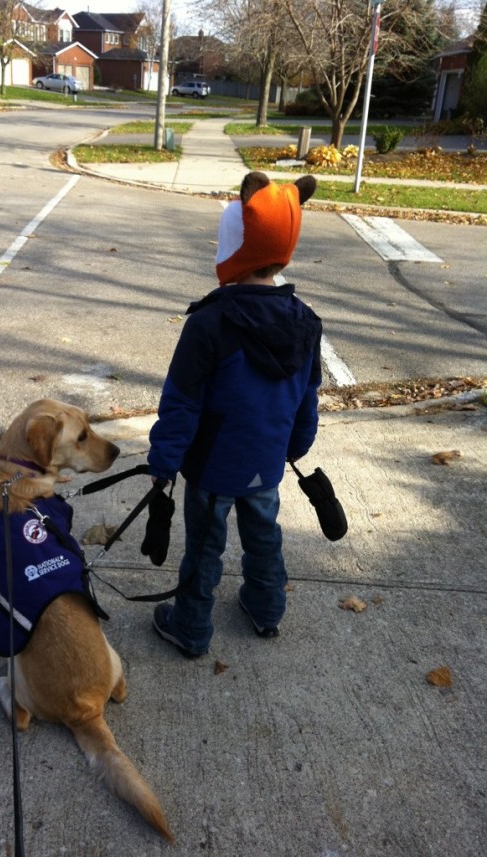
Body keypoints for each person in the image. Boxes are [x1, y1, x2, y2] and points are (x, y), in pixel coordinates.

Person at [146, 171, 322, 658]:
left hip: (212, 467)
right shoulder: (307, 321)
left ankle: (191, 625)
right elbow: (308, 397)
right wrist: (294, 448)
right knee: (264, 535)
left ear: (231, 247)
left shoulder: (209, 324)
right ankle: (266, 610)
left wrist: (163, 463)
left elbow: (181, 403)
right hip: (266, 462)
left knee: (204, 546)